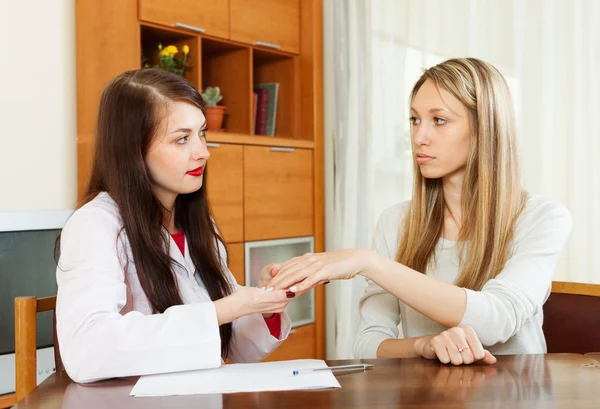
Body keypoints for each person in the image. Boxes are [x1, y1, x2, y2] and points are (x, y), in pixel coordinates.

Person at [266, 58, 572, 365]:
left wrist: (367, 262)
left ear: (484, 128)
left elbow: (497, 320)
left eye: (439, 120)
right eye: (414, 120)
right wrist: (423, 345)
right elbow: (367, 343)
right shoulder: (395, 222)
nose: (418, 137)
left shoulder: (542, 218)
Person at [55, 69, 295, 383]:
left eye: (202, 133)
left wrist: (266, 302)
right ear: (134, 152)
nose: (203, 152)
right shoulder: (95, 225)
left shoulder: (194, 223)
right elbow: (87, 350)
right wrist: (224, 309)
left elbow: (234, 347)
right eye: (182, 139)